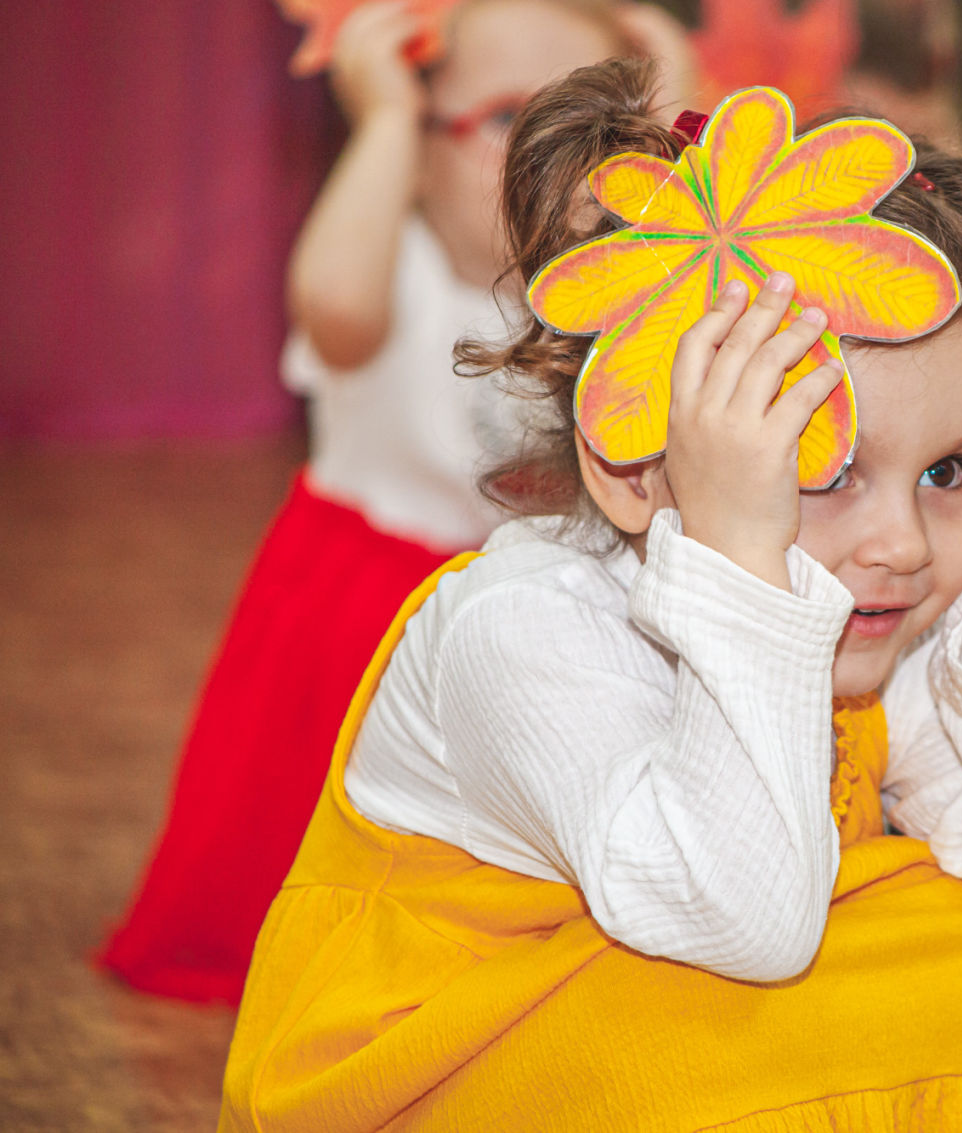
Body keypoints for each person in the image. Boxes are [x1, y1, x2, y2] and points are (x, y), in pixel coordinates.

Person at [218, 58, 962, 1131]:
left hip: (667, 1045)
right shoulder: (521, 629)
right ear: (635, 471)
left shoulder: (886, 619)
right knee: (747, 987)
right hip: (440, 1075)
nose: (903, 543)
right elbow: (743, 924)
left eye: (953, 470)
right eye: (823, 472)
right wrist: (740, 564)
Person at [98, 0, 687, 1005]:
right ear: (418, 142)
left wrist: (672, 99)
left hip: (534, 622)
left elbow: (709, 247)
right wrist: (379, 122)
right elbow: (331, 305)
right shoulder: (387, 268)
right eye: (507, 119)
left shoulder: (609, 295)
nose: (556, 163)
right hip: (363, 613)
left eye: (593, 130)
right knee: (323, 850)